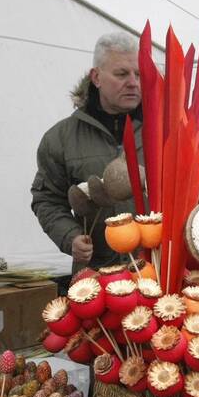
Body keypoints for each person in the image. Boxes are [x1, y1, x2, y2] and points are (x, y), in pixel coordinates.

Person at [31, 31, 142, 273]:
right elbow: (48, 200)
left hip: (156, 272)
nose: (133, 82)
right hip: (95, 276)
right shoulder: (60, 139)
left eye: (138, 74)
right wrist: (70, 237)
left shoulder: (164, 133)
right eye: (122, 74)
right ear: (97, 77)